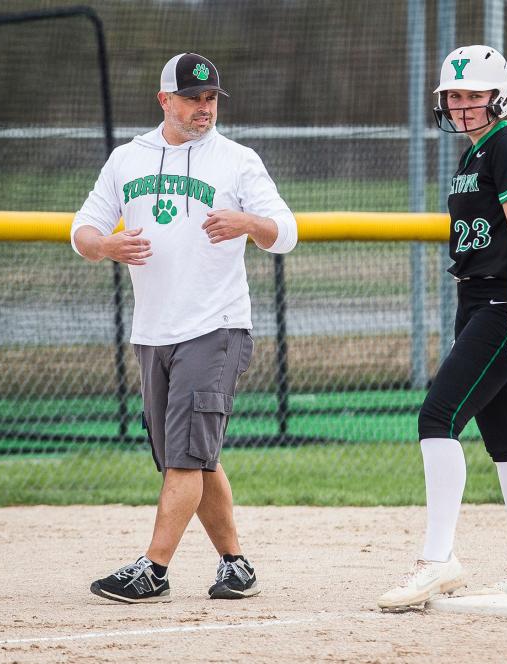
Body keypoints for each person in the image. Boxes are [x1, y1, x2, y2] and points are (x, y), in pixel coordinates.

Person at [71, 53, 297, 603]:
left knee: (185, 456)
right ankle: (236, 565)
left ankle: (154, 569)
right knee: (193, 457)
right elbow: (82, 228)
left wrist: (248, 223)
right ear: (164, 100)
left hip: (216, 327)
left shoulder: (237, 160)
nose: (205, 108)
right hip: (153, 331)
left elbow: (286, 231)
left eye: (212, 98)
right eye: (194, 98)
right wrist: (104, 245)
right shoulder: (128, 158)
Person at [378, 45, 507, 610]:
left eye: (474, 94)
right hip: (480, 298)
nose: (462, 105)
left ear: (498, 96)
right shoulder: (476, 152)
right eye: (454, 95)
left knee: (438, 415)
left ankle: (438, 559)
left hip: (505, 302)